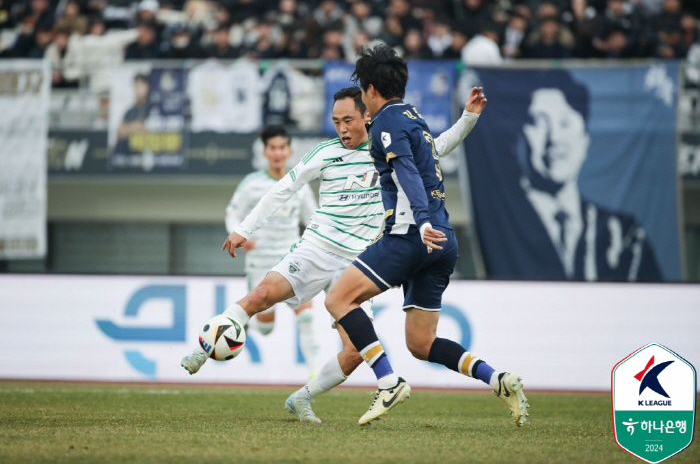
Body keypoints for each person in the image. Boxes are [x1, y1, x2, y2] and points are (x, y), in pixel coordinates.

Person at [181, 86, 481, 423]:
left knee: (354, 352)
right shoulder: (324, 152)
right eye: (336, 121)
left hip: (360, 262)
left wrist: (469, 117)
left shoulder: (390, 148)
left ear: (366, 116)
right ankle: (205, 347)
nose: (342, 129)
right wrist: (243, 230)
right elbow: (283, 188)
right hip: (317, 248)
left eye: (348, 120)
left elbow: (439, 146)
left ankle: (301, 398)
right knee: (261, 295)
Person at [322, 44, 529, 427]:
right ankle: (497, 379)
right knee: (421, 343)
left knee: (338, 299)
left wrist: (420, 220)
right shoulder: (412, 117)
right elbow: (434, 152)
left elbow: (406, 172)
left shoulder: (385, 122)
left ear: (370, 90)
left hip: (413, 236)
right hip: (442, 241)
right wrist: (468, 118)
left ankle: (388, 381)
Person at [514, 71, 661, 280]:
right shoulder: (502, 225)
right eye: (540, 123)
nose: (554, 139)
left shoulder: (623, 236)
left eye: (565, 123)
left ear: (585, 139)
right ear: (518, 137)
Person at [222, 125, 322, 378]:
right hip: (261, 263)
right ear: (265, 151)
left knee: (306, 317)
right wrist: (242, 235)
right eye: (272, 148)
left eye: (282, 147)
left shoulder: (299, 183)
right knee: (266, 328)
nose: (277, 153)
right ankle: (237, 326)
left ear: (289, 150)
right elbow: (232, 213)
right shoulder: (252, 184)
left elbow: (314, 219)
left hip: (291, 259)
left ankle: (315, 375)